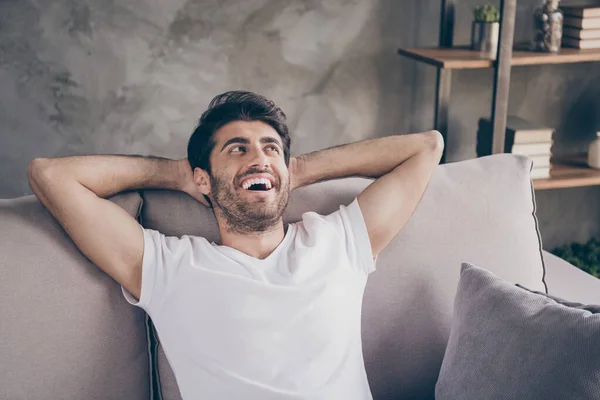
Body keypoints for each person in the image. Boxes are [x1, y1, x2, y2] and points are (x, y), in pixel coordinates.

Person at [27, 90, 443, 399]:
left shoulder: (340, 242)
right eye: (237, 149)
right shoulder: (170, 268)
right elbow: (50, 176)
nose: (258, 158)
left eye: (270, 148)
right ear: (203, 179)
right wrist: (178, 175)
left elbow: (427, 147)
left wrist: (294, 167)